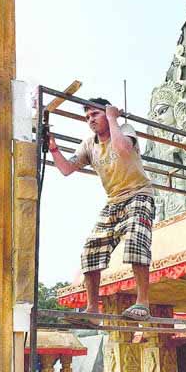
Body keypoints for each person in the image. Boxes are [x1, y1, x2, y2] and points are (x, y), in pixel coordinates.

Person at [46, 98, 155, 321]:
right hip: (114, 200)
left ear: (107, 113)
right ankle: (92, 309)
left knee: (136, 241)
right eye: (87, 117)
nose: (90, 120)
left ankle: (143, 302)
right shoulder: (89, 144)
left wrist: (114, 118)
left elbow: (123, 150)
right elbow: (67, 169)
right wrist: (53, 148)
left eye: (95, 114)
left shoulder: (124, 129)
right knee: (91, 250)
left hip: (139, 194)